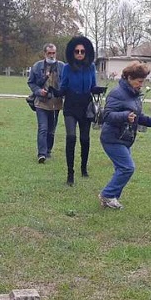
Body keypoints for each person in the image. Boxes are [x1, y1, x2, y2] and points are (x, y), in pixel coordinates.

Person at [98, 63, 151, 209]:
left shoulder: (134, 94)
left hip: (125, 138)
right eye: (139, 81)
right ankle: (107, 195)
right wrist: (125, 116)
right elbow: (107, 115)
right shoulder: (117, 93)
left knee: (122, 168)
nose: (141, 84)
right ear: (129, 78)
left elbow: (138, 116)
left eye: (143, 81)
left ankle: (111, 199)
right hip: (112, 138)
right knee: (127, 168)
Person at [57, 35, 104, 186]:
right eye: (77, 51)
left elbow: (93, 86)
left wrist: (99, 90)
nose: (79, 54)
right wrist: (55, 92)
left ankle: (84, 168)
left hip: (86, 106)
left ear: (86, 52)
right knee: (71, 138)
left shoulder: (91, 67)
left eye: (82, 51)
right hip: (71, 106)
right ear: (72, 52)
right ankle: (70, 174)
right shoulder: (67, 67)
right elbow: (63, 87)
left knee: (85, 139)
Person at [27, 44, 64, 163]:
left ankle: (48, 151)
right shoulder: (37, 66)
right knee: (43, 128)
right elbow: (31, 82)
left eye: (54, 53)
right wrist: (39, 91)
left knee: (51, 130)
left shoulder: (62, 66)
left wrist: (62, 92)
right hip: (41, 103)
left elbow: (66, 83)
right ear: (45, 54)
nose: (52, 55)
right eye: (49, 53)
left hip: (56, 104)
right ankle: (41, 154)